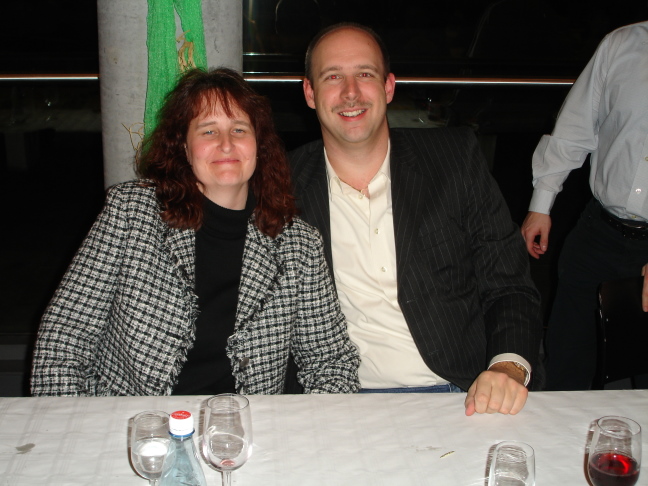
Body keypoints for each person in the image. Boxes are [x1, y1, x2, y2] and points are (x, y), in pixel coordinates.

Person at [30, 67, 360, 397]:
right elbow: (64, 337)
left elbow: (331, 363)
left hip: (244, 423)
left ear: (258, 146)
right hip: (134, 420)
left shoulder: (298, 244)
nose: (226, 144)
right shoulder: (131, 212)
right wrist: (71, 421)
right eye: (208, 131)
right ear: (185, 149)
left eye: (239, 129)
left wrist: (311, 424)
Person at [289, 23, 542, 415]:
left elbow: (509, 284)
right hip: (337, 400)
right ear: (310, 92)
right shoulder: (282, 185)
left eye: (365, 74)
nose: (351, 92)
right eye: (333, 76)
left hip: (459, 392)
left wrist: (506, 368)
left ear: (389, 87)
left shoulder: (454, 161)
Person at [520, 21, 648, 390]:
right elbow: (576, 126)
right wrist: (541, 203)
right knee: (565, 361)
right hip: (598, 232)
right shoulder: (622, 43)